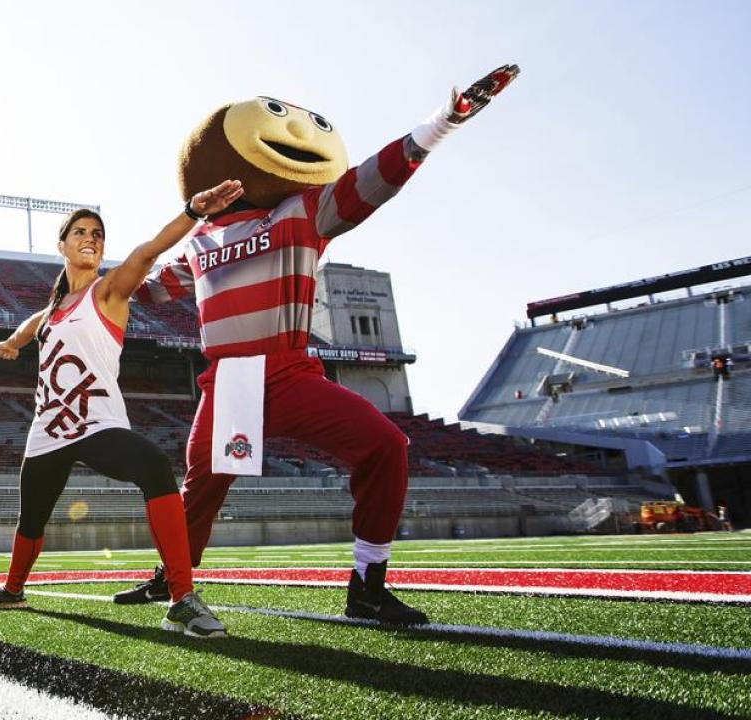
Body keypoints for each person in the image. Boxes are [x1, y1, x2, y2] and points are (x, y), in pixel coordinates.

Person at [113, 65, 521, 624]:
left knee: (386, 446)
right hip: (229, 380)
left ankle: (368, 586)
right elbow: (146, 291)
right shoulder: (198, 241)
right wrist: (94, 285)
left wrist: (442, 123)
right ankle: (170, 579)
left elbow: (371, 180)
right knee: (200, 491)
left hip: (288, 372)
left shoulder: (303, 212)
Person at [0, 179, 246, 639]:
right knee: (31, 518)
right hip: (48, 430)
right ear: (62, 244)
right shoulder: (54, 309)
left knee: (155, 467)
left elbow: (148, 252)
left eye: (97, 233)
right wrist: (12, 343)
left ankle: (181, 598)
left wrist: (193, 212)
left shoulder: (108, 292)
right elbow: (34, 322)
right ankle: (13, 589)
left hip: (96, 422)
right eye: (80, 232)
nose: (91, 238)